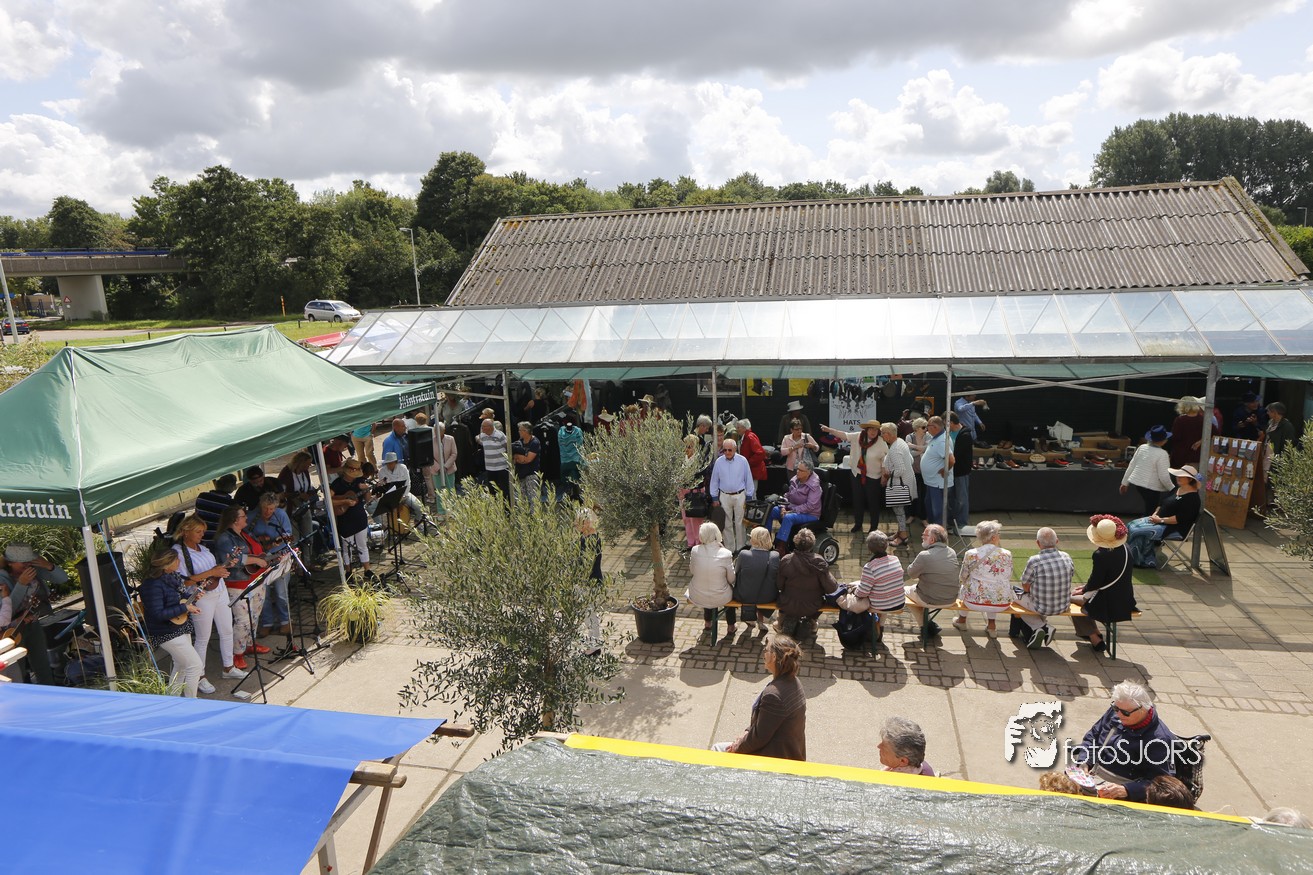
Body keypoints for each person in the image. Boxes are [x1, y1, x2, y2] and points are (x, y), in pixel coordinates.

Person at [1070, 681, 1178, 802]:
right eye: (1115, 708)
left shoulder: (1160, 739)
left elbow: (1162, 784)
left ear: (1143, 709)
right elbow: (1092, 736)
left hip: (1124, 790)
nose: (1119, 714)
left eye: (1125, 712)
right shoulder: (1118, 711)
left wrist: (1127, 790)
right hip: (1093, 774)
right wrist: (1084, 761)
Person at [173, 515, 245, 694]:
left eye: (203, 531)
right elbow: (184, 581)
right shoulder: (178, 553)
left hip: (220, 591)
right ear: (186, 532)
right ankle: (199, 676)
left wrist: (224, 566)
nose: (202, 535)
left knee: (227, 630)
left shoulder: (203, 548)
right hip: (201, 597)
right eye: (198, 531)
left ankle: (228, 667)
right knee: (203, 638)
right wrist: (213, 572)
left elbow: (213, 570)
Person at [712, 633, 807, 761]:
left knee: (717, 750)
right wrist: (746, 733)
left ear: (773, 657)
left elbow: (758, 738)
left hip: (776, 758)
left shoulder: (773, 695)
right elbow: (764, 724)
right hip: (790, 752)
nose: (764, 654)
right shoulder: (794, 682)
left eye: (766, 650)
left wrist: (737, 747)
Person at [138, 547, 204, 697]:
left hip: (179, 627)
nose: (179, 561)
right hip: (166, 631)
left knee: (181, 666)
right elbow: (158, 613)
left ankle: (172, 700)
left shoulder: (172, 577)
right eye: (176, 559)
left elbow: (178, 600)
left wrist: (192, 598)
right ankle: (191, 703)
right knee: (195, 666)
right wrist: (185, 607)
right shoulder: (152, 585)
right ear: (166, 564)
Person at [211, 503, 273, 662]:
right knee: (243, 620)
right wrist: (255, 560)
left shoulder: (245, 533)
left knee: (254, 616)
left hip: (256, 580)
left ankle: (249, 644)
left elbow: (257, 551)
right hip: (238, 584)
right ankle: (237, 654)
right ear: (234, 520)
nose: (246, 518)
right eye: (243, 516)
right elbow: (232, 559)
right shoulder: (224, 538)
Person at [0, 543, 68, 684]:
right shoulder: (2, 579)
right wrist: (21, 584)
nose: (27, 565)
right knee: (18, 669)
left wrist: (48, 565)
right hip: (11, 631)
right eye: (23, 562)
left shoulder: (33, 569)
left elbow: (63, 578)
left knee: (42, 664)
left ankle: (49, 691)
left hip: (32, 623)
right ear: (10, 563)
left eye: (29, 561)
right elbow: (7, 612)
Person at [1072, 515, 1136, 653]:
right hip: (1126, 599)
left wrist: (1084, 589)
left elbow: (1096, 581)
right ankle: (1094, 633)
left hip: (1108, 603)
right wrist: (1085, 588)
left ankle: (1094, 637)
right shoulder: (1126, 548)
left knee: (1069, 600)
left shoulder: (1101, 554)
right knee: (1079, 598)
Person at [1125, 465, 1202, 568]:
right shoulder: (1177, 489)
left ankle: (1141, 560)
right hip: (1159, 520)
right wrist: (1155, 514)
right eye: (1178, 475)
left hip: (1174, 528)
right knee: (1131, 525)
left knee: (1136, 530)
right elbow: (1162, 503)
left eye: (1181, 476)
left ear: (1190, 479)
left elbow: (1179, 519)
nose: (1178, 477)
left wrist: (1160, 520)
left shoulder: (1193, 499)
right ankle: (1138, 559)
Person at [837, 530, 905, 642]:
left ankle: (872, 630)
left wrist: (854, 591)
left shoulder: (870, 567)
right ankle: (880, 628)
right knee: (884, 593)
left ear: (869, 549)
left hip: (881, 604)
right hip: (899, 602)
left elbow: (862, 593)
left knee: (856, 596)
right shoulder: (895, 559)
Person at [821, 418, 886, 534]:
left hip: (873, 477)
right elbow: (844, 435)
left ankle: (874, 527)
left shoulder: (881, 442)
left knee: (873, 502)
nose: (873, 432)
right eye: (871, 429)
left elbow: (885, 460)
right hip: (857, 474)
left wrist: (884, 476)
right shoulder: (858, 436)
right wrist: (829, 430)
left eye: (876, 430)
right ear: (866, 429)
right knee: (857, 500)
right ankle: (858, 524)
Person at [1015, 527, 1075, 650]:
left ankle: (1042, 627)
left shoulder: (1034, 560)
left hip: (1041, 607)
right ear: (1057, 541)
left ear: (1038, 543)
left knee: (1011, 594)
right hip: (1063, 605)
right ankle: (1038, 630)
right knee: (1034, 597)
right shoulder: (1066, 556)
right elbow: (1070, 575)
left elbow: (1025, 586)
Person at [953, 519, 1012, 637]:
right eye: (998, 533)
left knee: (966, 586)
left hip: (974, 602)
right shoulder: (1007, 554)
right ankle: (992, 626)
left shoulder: (971, 553)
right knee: (994, 587)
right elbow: (1008, 575)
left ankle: (962, 620)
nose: (999, 536)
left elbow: (963, 576)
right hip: (1002, 602)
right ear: (994, 537)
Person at [775, 528, 838, 638]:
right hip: (812, 605)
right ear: (812, 544)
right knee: (825, 599)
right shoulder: (819, 562)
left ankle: (779, 623)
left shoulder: (786, 560)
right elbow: (832, 588)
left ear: (795, 542)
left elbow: (779, 585)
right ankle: (813, 622)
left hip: (788, 603)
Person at [904, 524, 960, 636]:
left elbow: (911, 574)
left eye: (924, 535)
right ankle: (929, 625)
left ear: (932, 540)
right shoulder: (951, 552)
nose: (922, 536)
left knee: (905, 591)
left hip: (931, 599)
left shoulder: (924, 555)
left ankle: (925, 626)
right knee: (920, 591)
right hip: (951, 598)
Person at [686, 522, 736, 637]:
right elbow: (731, 579)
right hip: (720, 596)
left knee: (706, 584)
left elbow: (692, 571)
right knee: (729, 590)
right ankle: (731, 625)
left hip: (697, 594)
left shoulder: (695, 550)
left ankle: (707, 622)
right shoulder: (726, 553)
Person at [709, 438, 754, 553]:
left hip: (740, 495)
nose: (727, 452)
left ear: (735, 449)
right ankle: (730, 548)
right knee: (726, 522)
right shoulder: (719, 462)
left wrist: (749, 496)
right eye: (725, 450)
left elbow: (748, 478)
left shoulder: (743, 461)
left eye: (730, 450)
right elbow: (714, 481)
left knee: (740, 522)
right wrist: (714, 497)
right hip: (724, 495)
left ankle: (740, 547)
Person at [764, 459, 821, 549]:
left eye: (801, 470)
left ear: (808, 473)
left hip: (810, 514)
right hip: (792, 509)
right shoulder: (795, 480)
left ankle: (781, 546)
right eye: (797, 469)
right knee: (772, 510)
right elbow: (787, 495)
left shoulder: (815, 487)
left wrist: (792, 511)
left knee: (788, 517)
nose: (797, 471)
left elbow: (810, 506)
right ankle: (765, 541)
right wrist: (783, 506)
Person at [331, 458, 373, 576]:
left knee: (362, 545)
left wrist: (367, 490)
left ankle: (367, 570)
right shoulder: (337, 484)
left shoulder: (360, 481)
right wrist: (344, 501)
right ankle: (348, 571)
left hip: (359, 517)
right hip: (345, 519)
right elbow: (329, 501)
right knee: (346, 547)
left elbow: (368, 500)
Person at [1121, 425, 1175, 516]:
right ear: (1163, 440)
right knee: (1151, 511)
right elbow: (1164, 476)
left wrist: (1124, 482)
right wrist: (1173, 489)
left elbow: (1132, 465)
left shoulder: (1142, 447)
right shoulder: (1162, 454)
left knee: (1149, 509)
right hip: (1151, 487)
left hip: (1139, 484)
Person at [733, 527, 780, 631]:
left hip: (744, 595)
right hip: (768, 597)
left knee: (750, 584)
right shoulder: (775, 556)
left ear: (754, 539)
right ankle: (760, 620)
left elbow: (735, 572)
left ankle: (750, 618)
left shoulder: (744, 554)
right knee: (763, 585)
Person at [881, 422, 917, 547]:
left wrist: (888, 474)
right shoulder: (901, 442)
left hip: (899, 485)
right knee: (900, 510)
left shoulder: (895, 449)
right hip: (907, 482)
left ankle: (903, 536)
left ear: (889, 434)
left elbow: (900, 470)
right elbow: (911, 460)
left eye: (883, 433)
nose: (881, 435)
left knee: (899, 510)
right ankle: (900, 531)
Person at [576, 508, 604, 656]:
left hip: (590, 582)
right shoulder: (587, 537)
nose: (576, 525)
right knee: (589, 614)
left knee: (590, 614)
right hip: (588, 581)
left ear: (586, 522)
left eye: (579, 522)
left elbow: (585, 563)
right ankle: (594, 643)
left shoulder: (591, 540)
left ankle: (594, 645)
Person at [278, 450, 318, 552]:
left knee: (309, 535)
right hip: (291, 510)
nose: (309, 466)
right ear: (301, 462)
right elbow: (281, 493)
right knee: (294, 539)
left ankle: (308, 558)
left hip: (304, 507)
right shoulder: (286, 473)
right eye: (308, 463)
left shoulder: (305, 472)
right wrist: (297, 495)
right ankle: (297, 560)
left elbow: (307, 487)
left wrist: (309, 494)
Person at [920, 415, 954, 528]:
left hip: (938, 483)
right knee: (930, 506)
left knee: (937, 511)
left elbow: (951, 460)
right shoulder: (937, 437)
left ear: (934, 427)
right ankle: (934, 530)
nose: (926, 429)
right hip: (932, 482)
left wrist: (945, 470)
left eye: (927, 426)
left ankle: (938, 533)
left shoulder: (941, 441)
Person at [375, 451, 426, 521]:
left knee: (419, 507)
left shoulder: (403, 468)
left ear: (395, 462)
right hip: (390, 497)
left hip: (404, 494)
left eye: (391, 463)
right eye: (387, 463)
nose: (389, 465)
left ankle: (417, 522)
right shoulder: (382, 471)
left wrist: (403, 496)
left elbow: (408, 483)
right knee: (381, 510)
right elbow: (384, 488)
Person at [947, 412, 973, 535]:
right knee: (951, 497)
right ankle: (952, 521)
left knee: (961, 498)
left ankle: (962, 524)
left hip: (960, 472)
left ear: (951, 423)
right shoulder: (949, 433)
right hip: (951, 471)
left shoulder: (965, 435)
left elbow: (957, 454)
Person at [194, 473, 237, 543]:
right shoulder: (231, 504)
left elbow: (196, 515)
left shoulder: (202, 497)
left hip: (199, 539)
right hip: (218, 541)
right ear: (232, 487)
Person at [475, 417, 511, 499]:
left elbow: (508, 448)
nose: (482, 428)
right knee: (492, 491)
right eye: (482, 426)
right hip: (490, 468)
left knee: (504, 490)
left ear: (490, 427)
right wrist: (477, 439)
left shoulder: (500, 435)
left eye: (484, 427)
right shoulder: (483, 435)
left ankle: (506, 506)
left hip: (502, 467)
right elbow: (478, 439)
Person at [1168, 396, 1206, 469]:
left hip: (1180, 458)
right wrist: (1201, 441)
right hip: (1196, 458)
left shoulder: (1180, 420)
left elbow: (1175, 437)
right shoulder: (1202, 419)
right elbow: (1214, 433)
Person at [511, 422, 543, 507]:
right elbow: (514, 458)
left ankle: (534, 515)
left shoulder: (534, 442)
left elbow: (528, 459)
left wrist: (520, 458)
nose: (519, 432)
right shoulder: (519, 443)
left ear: (526, 431)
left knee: (533, 497)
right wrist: (520, 458)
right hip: (520, 474)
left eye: (520, 430)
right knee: (521, 498)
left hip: (531, 473)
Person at [431, 422, 458, 516]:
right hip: (436, 471)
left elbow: (454, 454)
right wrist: (438, 468)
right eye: (435, 430)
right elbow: (430, 457)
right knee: (439, 491)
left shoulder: (450, 439)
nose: (437, 432)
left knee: (450, 490)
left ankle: (451, 510)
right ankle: (441, 511)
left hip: (449, 469)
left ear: (444, 430)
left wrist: (446, 466)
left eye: (439, 430)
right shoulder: (431, 441)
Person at [556, 413, 585, 502]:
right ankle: (576, 495)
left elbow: (560, 443)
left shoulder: (561, 431)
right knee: (576, 479)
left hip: (565, 461)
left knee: (567, 481)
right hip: (576, 460)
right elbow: (580, 444)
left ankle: (571, 495)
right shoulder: (578, 431)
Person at [737, 418, 768, 497]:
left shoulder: (750, 437)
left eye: (738, 427)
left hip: (753, 470)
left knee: (751, 492)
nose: (737, 429)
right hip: (749, 470)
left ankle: (752, 505)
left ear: (744, 428)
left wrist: (748, 463)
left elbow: (760, 453)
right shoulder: (746, 437)